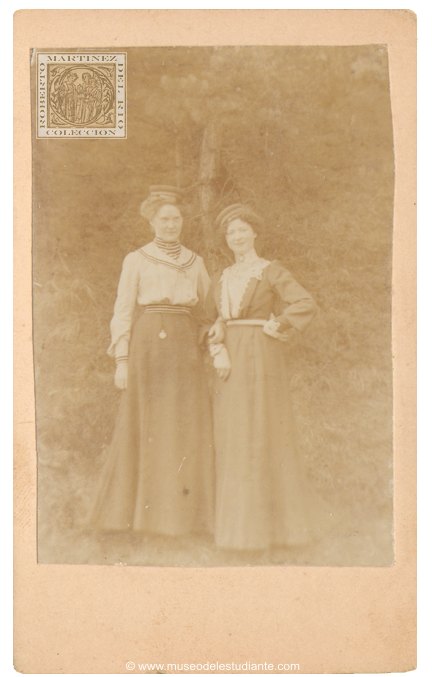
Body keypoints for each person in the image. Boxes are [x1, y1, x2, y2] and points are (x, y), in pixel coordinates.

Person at [88, 186, 214, 538]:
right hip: (148, 345)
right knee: (148, 424)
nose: (171, 224)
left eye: (176, 218)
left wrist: (210, 337)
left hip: (186, 346)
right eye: (164, 219)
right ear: (152, 222)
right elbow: (123, 310)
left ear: (183, 221)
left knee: (185, 424)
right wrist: (122, 361)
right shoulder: (137, 259)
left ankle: (185, 519)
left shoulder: (195, 262)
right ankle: (140, 519)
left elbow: (209, 307)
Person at [206, 203, 333, 551]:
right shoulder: (221, 276)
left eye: (242, 230)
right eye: (231, 232)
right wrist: (218, 332)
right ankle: (234, 531)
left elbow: (303, 303)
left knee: (260, 430)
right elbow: (208, 317)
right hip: (228, 361)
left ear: (254, 233)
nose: (237, 236)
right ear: (226, 239)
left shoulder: (270, 270)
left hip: (261, 357)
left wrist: (278, 323)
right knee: (233, 434)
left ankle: (275, 530)